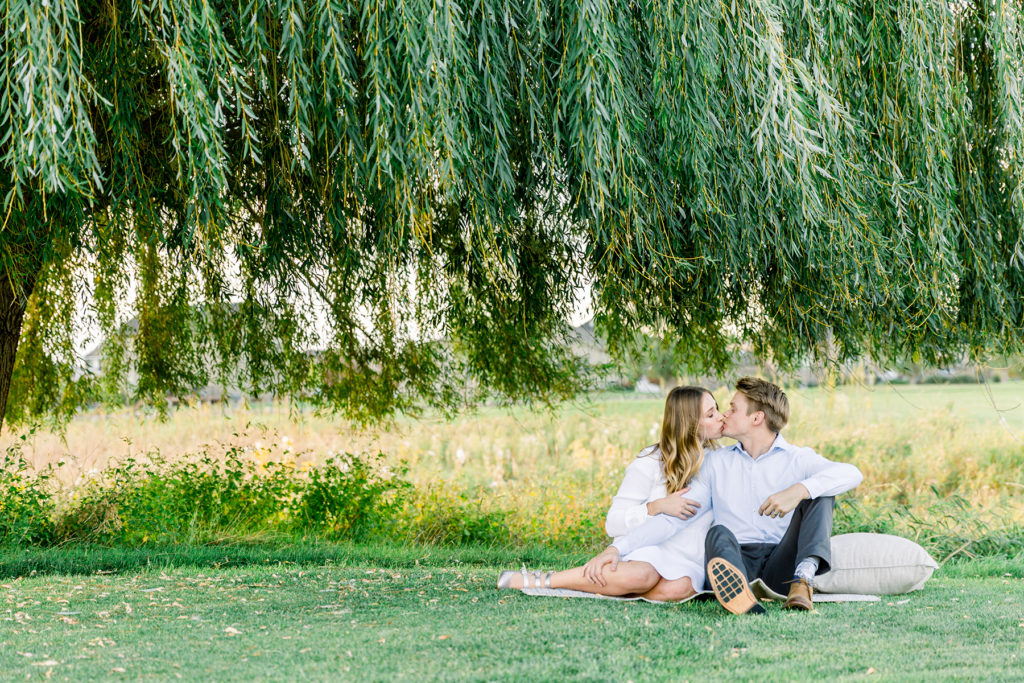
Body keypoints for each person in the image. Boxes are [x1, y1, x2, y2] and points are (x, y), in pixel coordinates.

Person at [587, 377, 862, 614]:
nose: (724, 415)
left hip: (781, 563)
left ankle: (803, 581)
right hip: (734, 561)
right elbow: (676, 518)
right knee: (717, 532)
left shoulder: (798, 460)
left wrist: (799, 490)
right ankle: (737, 595)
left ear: (756, 418)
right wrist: (616, 549)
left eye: (732, 408)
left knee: (822, 492)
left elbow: (851, 473)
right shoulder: (715, 462)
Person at [496, 386, 724, 601]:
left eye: (718, 410)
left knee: (680, 589)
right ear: (689, 423)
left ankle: (606, 587)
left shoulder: (720, 459)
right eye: (711, 414)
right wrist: (656, 507)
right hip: (647, 549)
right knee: (642, 576)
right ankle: (544, 580)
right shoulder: (651, 461)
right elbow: (613, 523)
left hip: (688, 557)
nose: (721, 417)